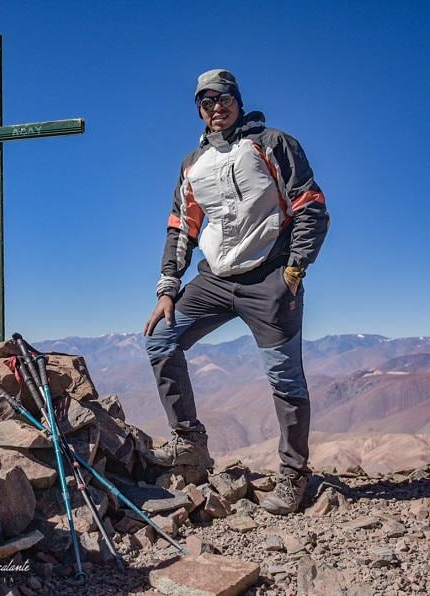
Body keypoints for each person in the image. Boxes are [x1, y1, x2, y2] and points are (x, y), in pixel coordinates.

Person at [142, 70, 329, 515]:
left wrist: (295, 270)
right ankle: (189, 441)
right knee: (159, 338)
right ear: (199, 110)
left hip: (270, 276)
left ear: (238, 100)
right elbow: (181, 229)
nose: (215, 107)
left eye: (223, 98)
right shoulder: (192, 164)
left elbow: (311, 206)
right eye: (205, 102)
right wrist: (168, 286)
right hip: (215, 279)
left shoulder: (273, 143)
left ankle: (294, 474)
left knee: (284, 376)